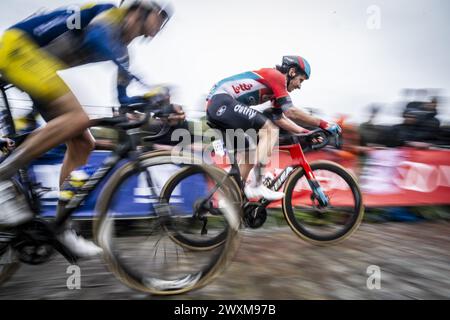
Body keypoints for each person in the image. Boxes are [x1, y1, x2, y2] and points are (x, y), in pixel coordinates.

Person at [0, 0, 173, 257]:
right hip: (17, 47)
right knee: (77, 117)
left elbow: (123, 100)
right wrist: (147, 86)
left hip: (37, 65)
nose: (162, 23)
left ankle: (60, 227)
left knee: (83, 142)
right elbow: (95, 39)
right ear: (141, 8)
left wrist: (149, 102)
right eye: (161, 15)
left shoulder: (123, 52)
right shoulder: (106, 15)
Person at [206, 56, 341, 201]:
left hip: (221, 106)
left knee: (251, 154)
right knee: (270, 131)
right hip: (221, 101)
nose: (300, 86)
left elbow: (279, 117)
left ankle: (233, 199)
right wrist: (323, 123)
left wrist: (306, 132)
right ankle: (256, 184)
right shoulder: (276, 76)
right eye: (301, 80)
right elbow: (291, 111)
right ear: (292, 72)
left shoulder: (275, 88)